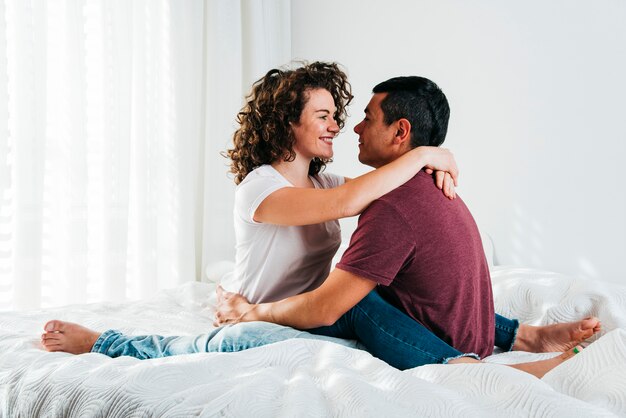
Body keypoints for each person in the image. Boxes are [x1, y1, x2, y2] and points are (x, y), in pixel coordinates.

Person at [41, 64, 600, 377]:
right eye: (326, 116)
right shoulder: (261, 186)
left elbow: (359, 198)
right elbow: (356, 199)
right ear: (289, 123)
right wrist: (427, 155)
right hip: (257, 318)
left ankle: (518, 337)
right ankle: (105, 341)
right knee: (197, 350)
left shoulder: (326, 183)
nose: (341, 127)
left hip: (309, 313)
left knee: (386, 296)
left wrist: (432, 156)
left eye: (345, 115)